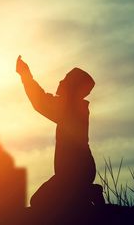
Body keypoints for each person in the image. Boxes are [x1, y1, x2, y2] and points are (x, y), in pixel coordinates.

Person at [16, 55, 103, 211]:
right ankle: (87, 193)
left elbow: (40, 101)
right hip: (79, 171)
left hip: (73, 172)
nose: (60, 82)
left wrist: (25, 76)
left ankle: (88, 192)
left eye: (65, 80)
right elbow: (42, 101)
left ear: (73, 87)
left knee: (39, 201)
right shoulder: (76, 108)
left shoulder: (70, 108)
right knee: (60, 202)